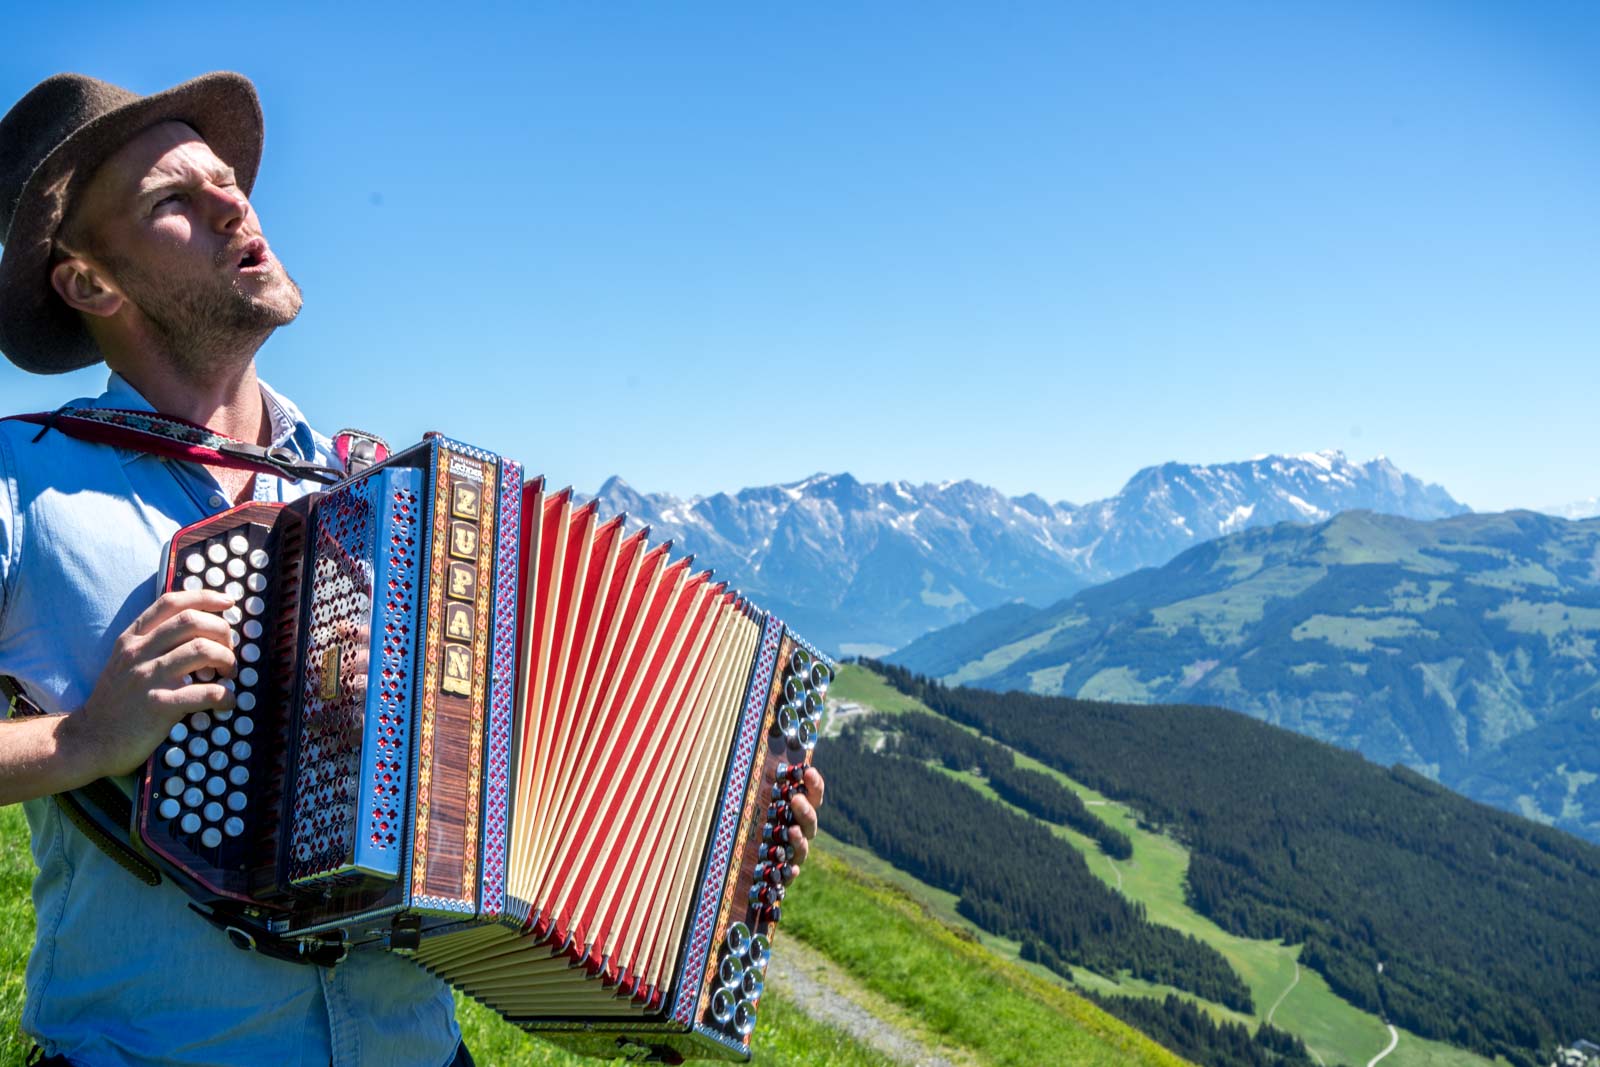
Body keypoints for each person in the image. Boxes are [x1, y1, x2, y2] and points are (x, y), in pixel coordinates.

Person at [0, 72, 825, 1067]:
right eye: (173, 200)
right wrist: (84, 738)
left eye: (228, 180)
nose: (234, 202)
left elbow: (559, 756)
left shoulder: (374, 501)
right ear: (91, 283)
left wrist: (719, 835)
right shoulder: (27, 485)